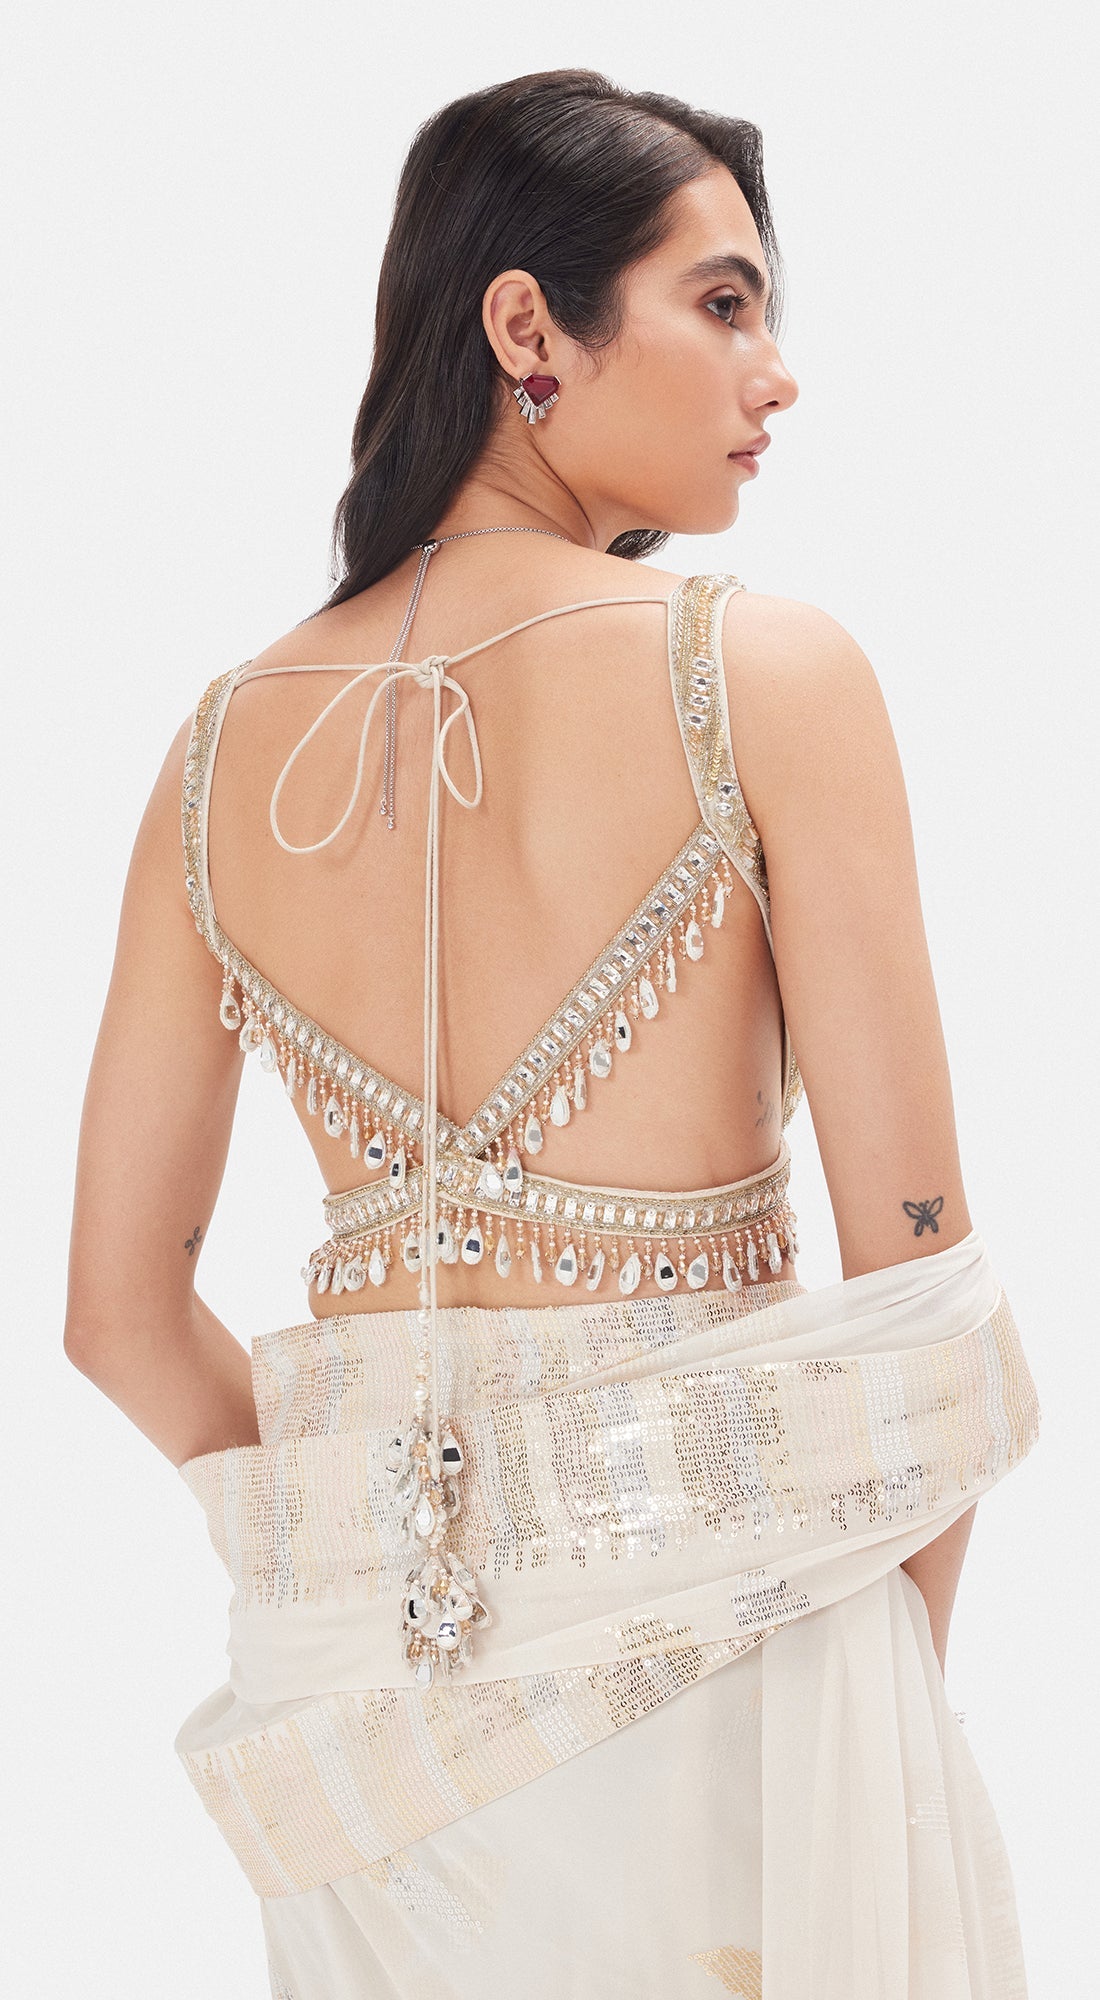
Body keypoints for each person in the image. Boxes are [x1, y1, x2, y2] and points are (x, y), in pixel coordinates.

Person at [64, 66, 1041, 1999]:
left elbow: (114, 1314)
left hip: (360, 1723)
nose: (777, 374)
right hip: (750, 1654)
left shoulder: (215, 752)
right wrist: (873, 1709)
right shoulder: (761, 673)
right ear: (529, 326)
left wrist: (363, 1544)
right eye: (723, 302)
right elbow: (921, 1291)